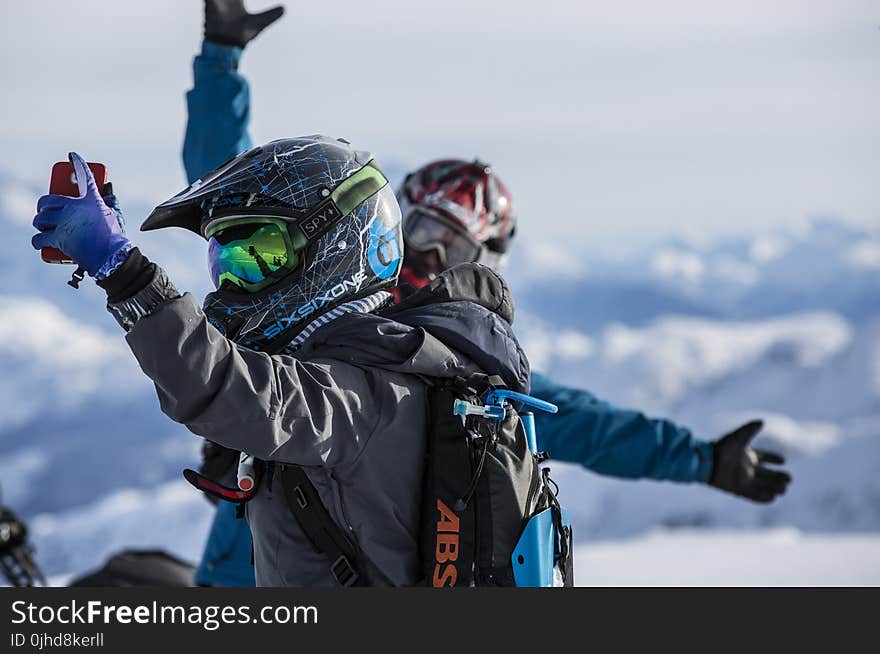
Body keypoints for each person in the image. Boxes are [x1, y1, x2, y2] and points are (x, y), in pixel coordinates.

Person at [178, 1, 792, 586]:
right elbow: (237, 194)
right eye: (422, 229)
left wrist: (704, 461)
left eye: (454, 247)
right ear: (389, 223)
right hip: (243, 565)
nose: (428, 256)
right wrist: (222, 59)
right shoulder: (317, 290)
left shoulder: (461, 367)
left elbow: (592, 426)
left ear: (482, 262)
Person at [32, 137, 533, 586]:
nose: (233, 282)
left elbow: (218, 385)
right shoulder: (367, 363)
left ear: (336, 248)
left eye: (260, 253)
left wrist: (122, 270)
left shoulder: (365, 390)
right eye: (225, 258)